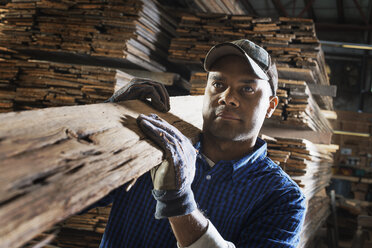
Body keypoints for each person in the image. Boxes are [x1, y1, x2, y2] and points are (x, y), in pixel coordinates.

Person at [93, 39, 306, 247]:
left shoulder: (282, 198)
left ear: (271, 106)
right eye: (218, 84)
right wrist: (106, 123)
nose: (227, 97)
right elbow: (72, 195)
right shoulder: (151, 144)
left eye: (247, 89)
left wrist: (178, 202)